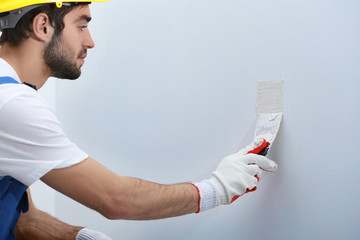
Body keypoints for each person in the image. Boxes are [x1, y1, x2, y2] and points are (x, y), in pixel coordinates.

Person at [0, 1, 278, 239]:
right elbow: (115, 199)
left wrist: (78, 236)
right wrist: (217, 189)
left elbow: (24, 220)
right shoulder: (14, 104)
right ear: (43, 26)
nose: (90, 41)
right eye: (81, 26)